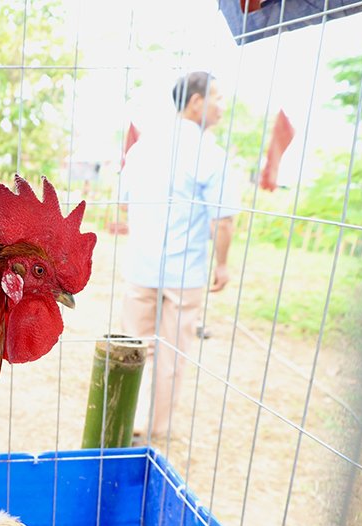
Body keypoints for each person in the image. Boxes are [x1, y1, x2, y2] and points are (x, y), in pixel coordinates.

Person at [120, 71, 241, 441]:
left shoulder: (142, 148)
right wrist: (221, 264)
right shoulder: (211, 154)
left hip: (141, 265)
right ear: (196, 102)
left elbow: (126, 202)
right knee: (171, 355)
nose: (222, 106)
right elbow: (223, 221)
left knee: (133, 346)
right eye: (218, 98)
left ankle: (127, 418)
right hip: (184, 272)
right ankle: (157, 428)